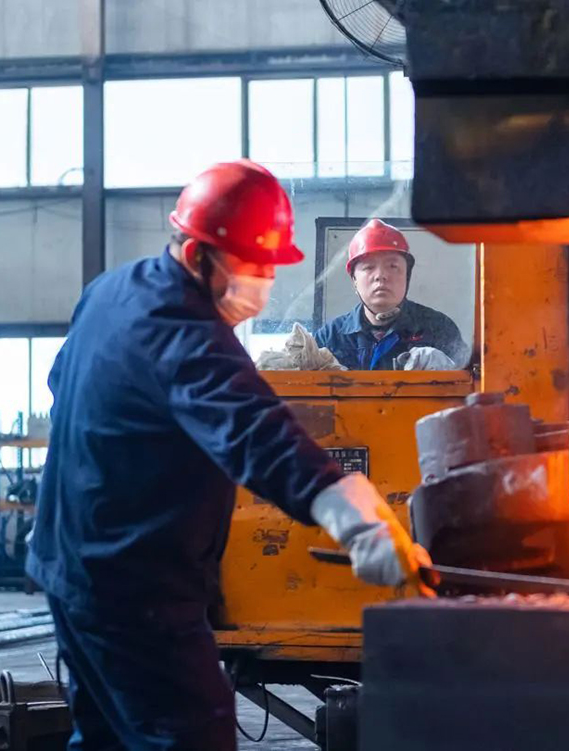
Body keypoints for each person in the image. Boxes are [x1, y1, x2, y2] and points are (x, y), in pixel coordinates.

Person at [26, 160, 429, 751]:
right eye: (252, 266)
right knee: (192, 735)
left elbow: (64, 383)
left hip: (70, 564)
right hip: (134, 585)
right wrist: (360, 522)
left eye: (269, 267)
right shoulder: (184, 330)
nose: (263, 282)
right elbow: (258, 434)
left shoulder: (112, 291)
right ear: (196, 255)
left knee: (107, 738)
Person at [314, 219, 471, 370]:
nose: (381, 275)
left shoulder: (438, 328)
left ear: (407, 276)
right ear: (354, 280)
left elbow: (474, 379)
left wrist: (452, 369)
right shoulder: (330, 337)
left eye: (393, 266)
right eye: (369, 267)